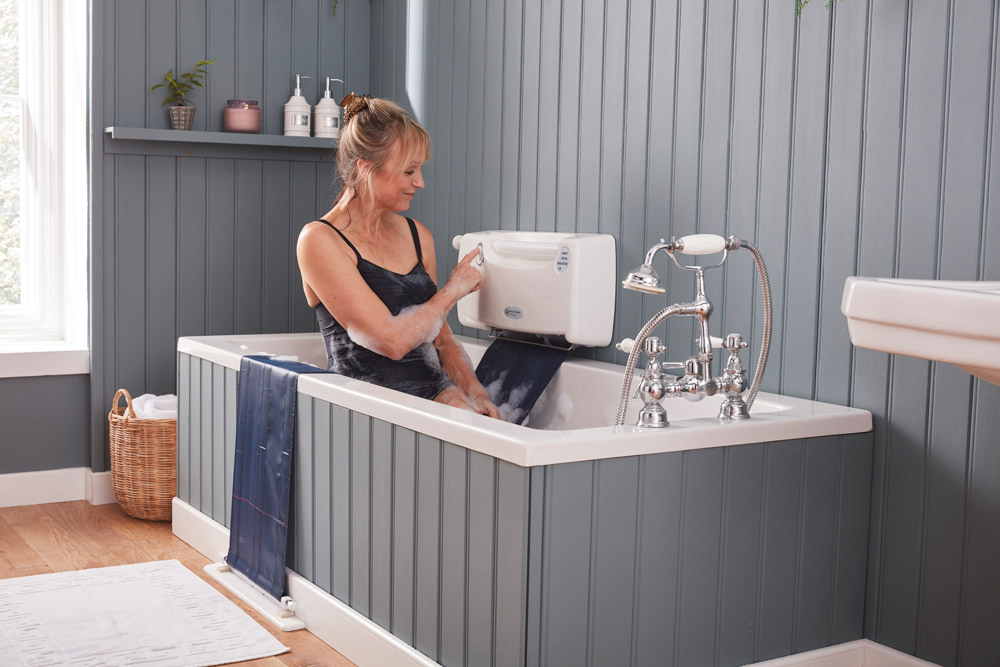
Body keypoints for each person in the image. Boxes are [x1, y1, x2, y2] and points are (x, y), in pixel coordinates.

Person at [296, 94, 500, 418]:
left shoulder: (418, 236)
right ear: (366, 169)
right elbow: (390, 340)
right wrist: (453, 290)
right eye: (409, 171)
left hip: (436, 400)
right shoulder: (320, 241)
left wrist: (477, 395)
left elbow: (442, 341)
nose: (420, 182)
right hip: (367, 413)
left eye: (420, 169)